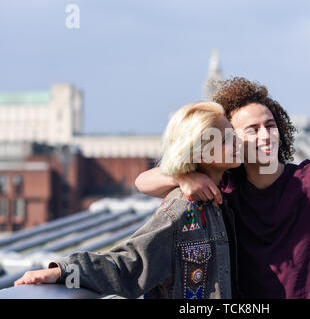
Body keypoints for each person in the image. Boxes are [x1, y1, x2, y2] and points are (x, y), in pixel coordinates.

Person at [135, 77, 310, 299]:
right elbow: (143, 181)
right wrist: (185, 178)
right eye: (252, 130)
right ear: (231, 140)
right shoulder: (222, 187)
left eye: (270, 125)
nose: (265, 135)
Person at [14, 101, 242, 299]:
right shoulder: (182, 209)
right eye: (225, 139)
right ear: (199, 153)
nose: (237, 142)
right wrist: (63, 271)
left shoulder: (218, 200)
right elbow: (130, 263)